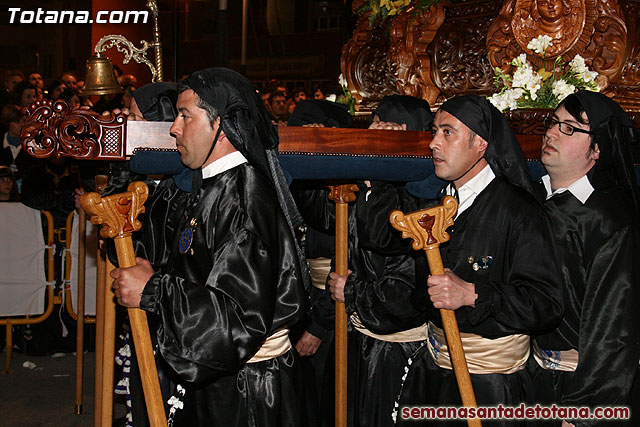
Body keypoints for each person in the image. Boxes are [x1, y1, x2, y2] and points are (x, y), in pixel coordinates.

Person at [109, 67, 310, 426]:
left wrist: (153, 290)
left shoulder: (245, 199)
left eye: (185, 116)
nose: (173, 127)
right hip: (217, 382)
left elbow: (236, 320)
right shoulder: (212, 185)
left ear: (222, 126)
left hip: (245, 395)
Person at [359, 95, 562, 426]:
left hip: (489, 391)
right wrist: (376, 172)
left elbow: (546, 303)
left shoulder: (519, 211)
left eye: (447, 133)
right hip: (433, 373)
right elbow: (383, 237)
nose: (433, 143)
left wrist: (472, 294)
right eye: (435, 131)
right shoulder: (436, 199)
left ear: (480, 143)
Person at [528, 91, 640, 427]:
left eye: (571, 128)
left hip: (578, 390)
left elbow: (613, 326)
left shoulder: (609, 220)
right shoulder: (532, 199)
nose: (552, 133)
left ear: (597, 150)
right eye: (553, 122)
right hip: (530, 381)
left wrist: (584, 410)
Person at [325, 95, 434, 427]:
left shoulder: (421, 197)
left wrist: (353, 291)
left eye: (381, 129)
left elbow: (406, 290)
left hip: (397, 350)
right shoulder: (368, 187)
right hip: (362, 337)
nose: (371, 136)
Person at [287, 99, 354, 427]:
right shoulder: (302, 177)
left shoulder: (344, 185)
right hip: (308, 308)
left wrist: (318, 327)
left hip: (335, 315)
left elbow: (344, 263)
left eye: (308, 133)